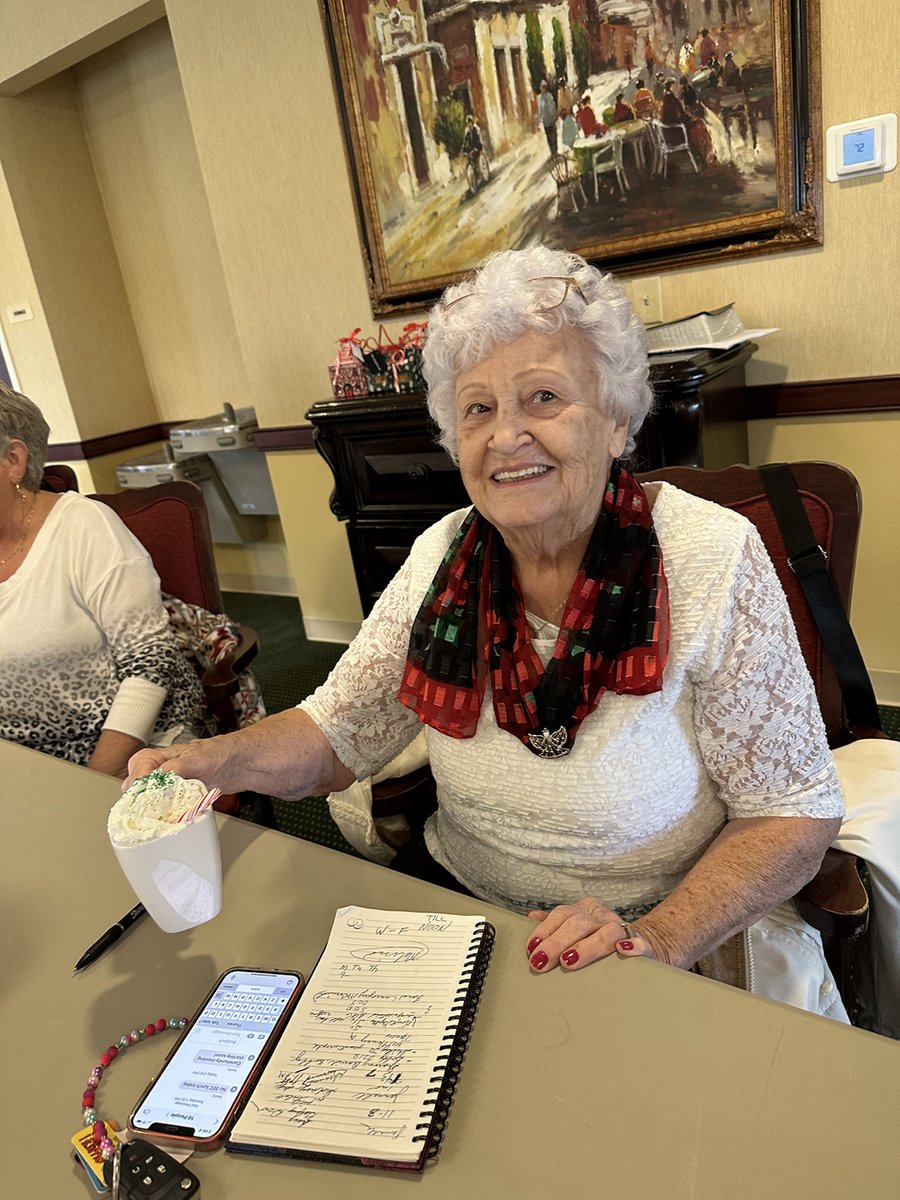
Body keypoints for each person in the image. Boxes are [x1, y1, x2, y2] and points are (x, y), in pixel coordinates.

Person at [126, 245, 851, 1022]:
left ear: (617, 422)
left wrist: (657, 940)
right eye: (478, 409)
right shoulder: (441, 558)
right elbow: (340, 733)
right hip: (467, 912)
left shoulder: (710, 556)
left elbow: (792, 811)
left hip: (663, 932)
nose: (506, 436)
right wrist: (212, 758)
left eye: (543, 397)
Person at [0, 383, 203, 777]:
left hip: (117, 753)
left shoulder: (84, 528)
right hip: (18, 764)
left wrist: (95, 786)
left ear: (13, 460)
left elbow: (150, 660)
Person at [536, 79, 558, 156]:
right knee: (549, 138)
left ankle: (555, 151)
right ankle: (552, 152)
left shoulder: (550, 96)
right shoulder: (539, 98)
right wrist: (538, 121)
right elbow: (539, 109)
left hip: (552, 119)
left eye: (545, 87)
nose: (544, 88)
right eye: (542, 87)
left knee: (554, 137)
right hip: (546, 121)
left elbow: (553, 107)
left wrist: (555, 116)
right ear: (540, 88)